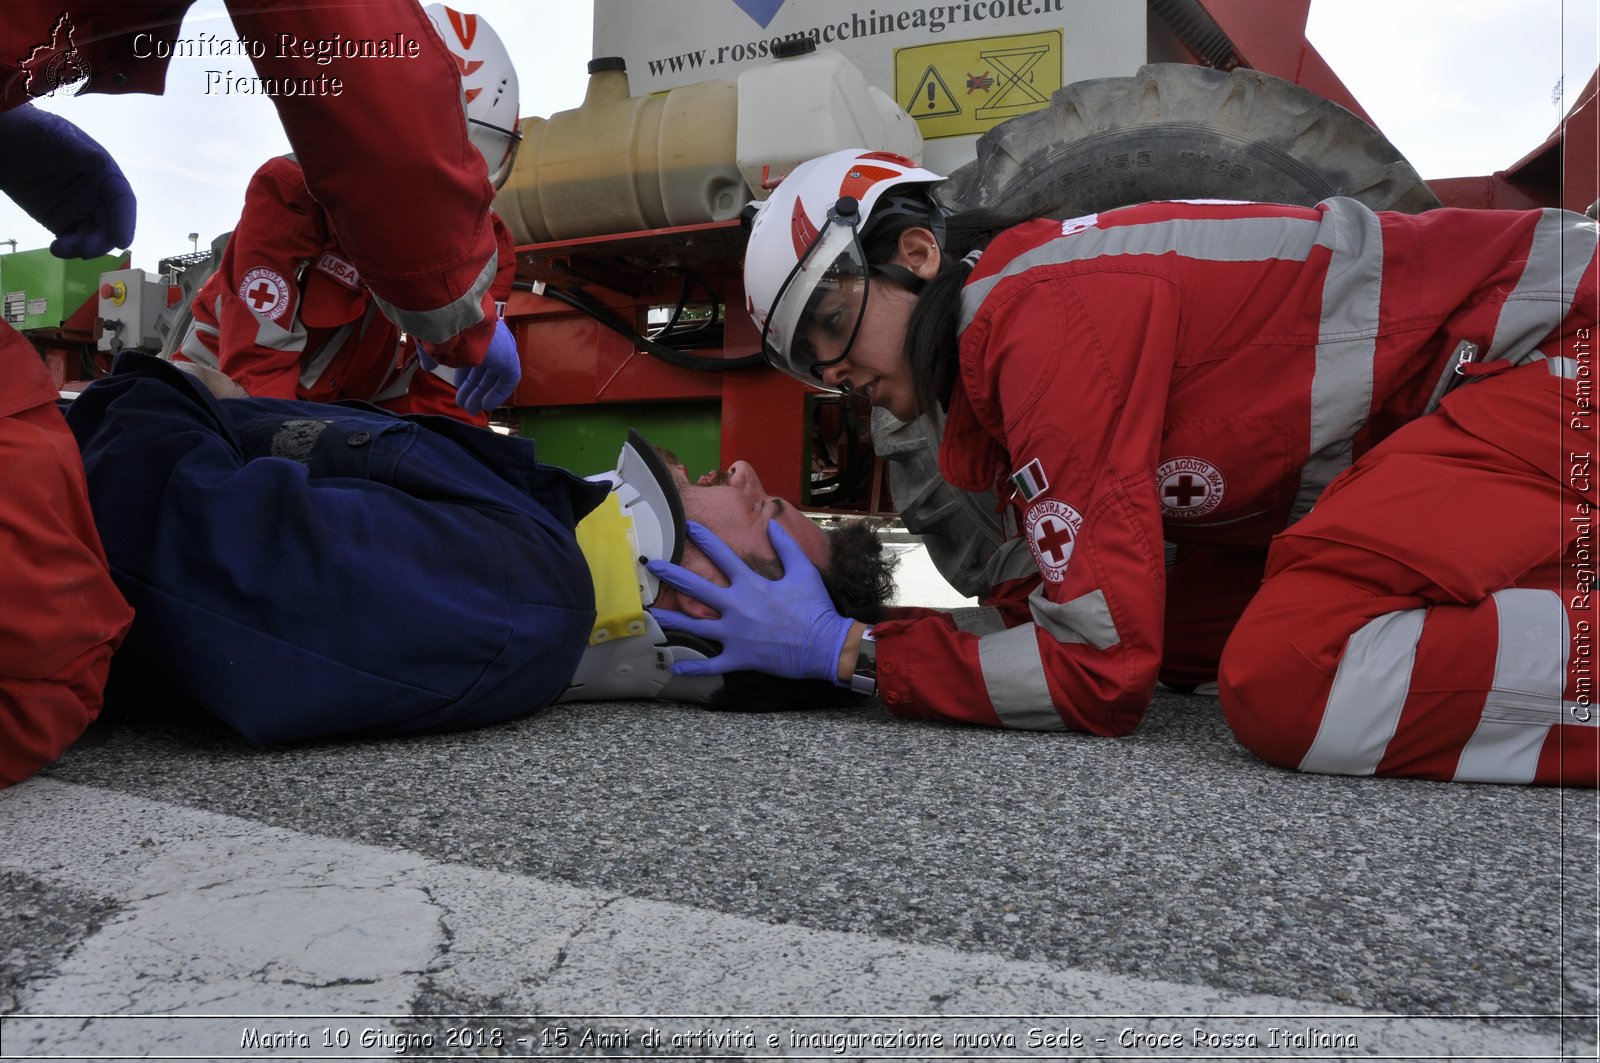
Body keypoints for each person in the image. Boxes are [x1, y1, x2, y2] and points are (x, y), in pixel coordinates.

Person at [648, 147, 1599, 787]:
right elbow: (1064, 611)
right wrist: (860, 633)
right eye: (806, 363)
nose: (834, 370)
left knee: (1288, 675)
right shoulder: (1015, 328)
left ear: (917, 252)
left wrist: (845, 655)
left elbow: (1102, 673)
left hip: (1555, 352)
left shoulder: (1038, 322)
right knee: (1196, 632)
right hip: (1509, 383)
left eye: (829, 322)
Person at [0, 0, 528, 787]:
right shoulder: (288, 203)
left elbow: (441, 434)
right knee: (43, 661)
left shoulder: (480, 266)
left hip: (324, 443)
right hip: (221, 418)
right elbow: (257, 391)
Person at [56, 352, 894, 748]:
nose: (746, 471)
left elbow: (171, 532)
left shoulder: (519, 594)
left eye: (770, 509)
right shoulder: (537, 545)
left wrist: (159, 392)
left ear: (718, 604)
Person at [174, 5, 525, 426]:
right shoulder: (288, 198)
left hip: (344, 423)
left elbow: (449, 409)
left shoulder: (490, 255)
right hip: (214, 404)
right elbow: (258, 375)